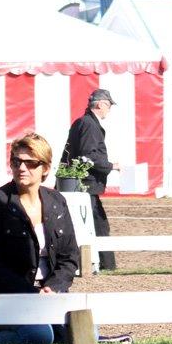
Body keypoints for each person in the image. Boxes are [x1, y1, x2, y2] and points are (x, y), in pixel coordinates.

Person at [0, 132, 80, 344]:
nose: (21, 168)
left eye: (30, 163)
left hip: (48, 295)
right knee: (39, 336)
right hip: (5, 297)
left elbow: (69, 257)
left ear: (45, 168)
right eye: (16, 162)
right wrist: (31, 293)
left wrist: (53, 288)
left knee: (86, 333)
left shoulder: (57, 201)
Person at [63, 88, 120, 270]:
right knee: (99, 224)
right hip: (86, 185)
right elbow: (88, 156)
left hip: (77, 183)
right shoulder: (89, 125)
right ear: (100, 104)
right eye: (109, 105)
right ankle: (107, 265)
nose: (109, 109)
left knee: (90, 224)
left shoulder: (81, 122)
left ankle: (101, 263)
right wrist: (111, 166)